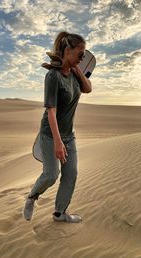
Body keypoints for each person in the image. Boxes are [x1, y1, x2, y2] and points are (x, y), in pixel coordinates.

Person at [22, 31, 92, 223]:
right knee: (51, 175)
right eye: (80, 54)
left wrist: (77, 68)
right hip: (50, 134)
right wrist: (58, 143)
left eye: (84, 55)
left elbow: (87, 89)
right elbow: (51, 111)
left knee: (71, 175)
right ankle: (31, 198)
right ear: (67, 50)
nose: (82, 58)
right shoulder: (53, 76)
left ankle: (60, 214)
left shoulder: (74, 74)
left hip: (70, 135)